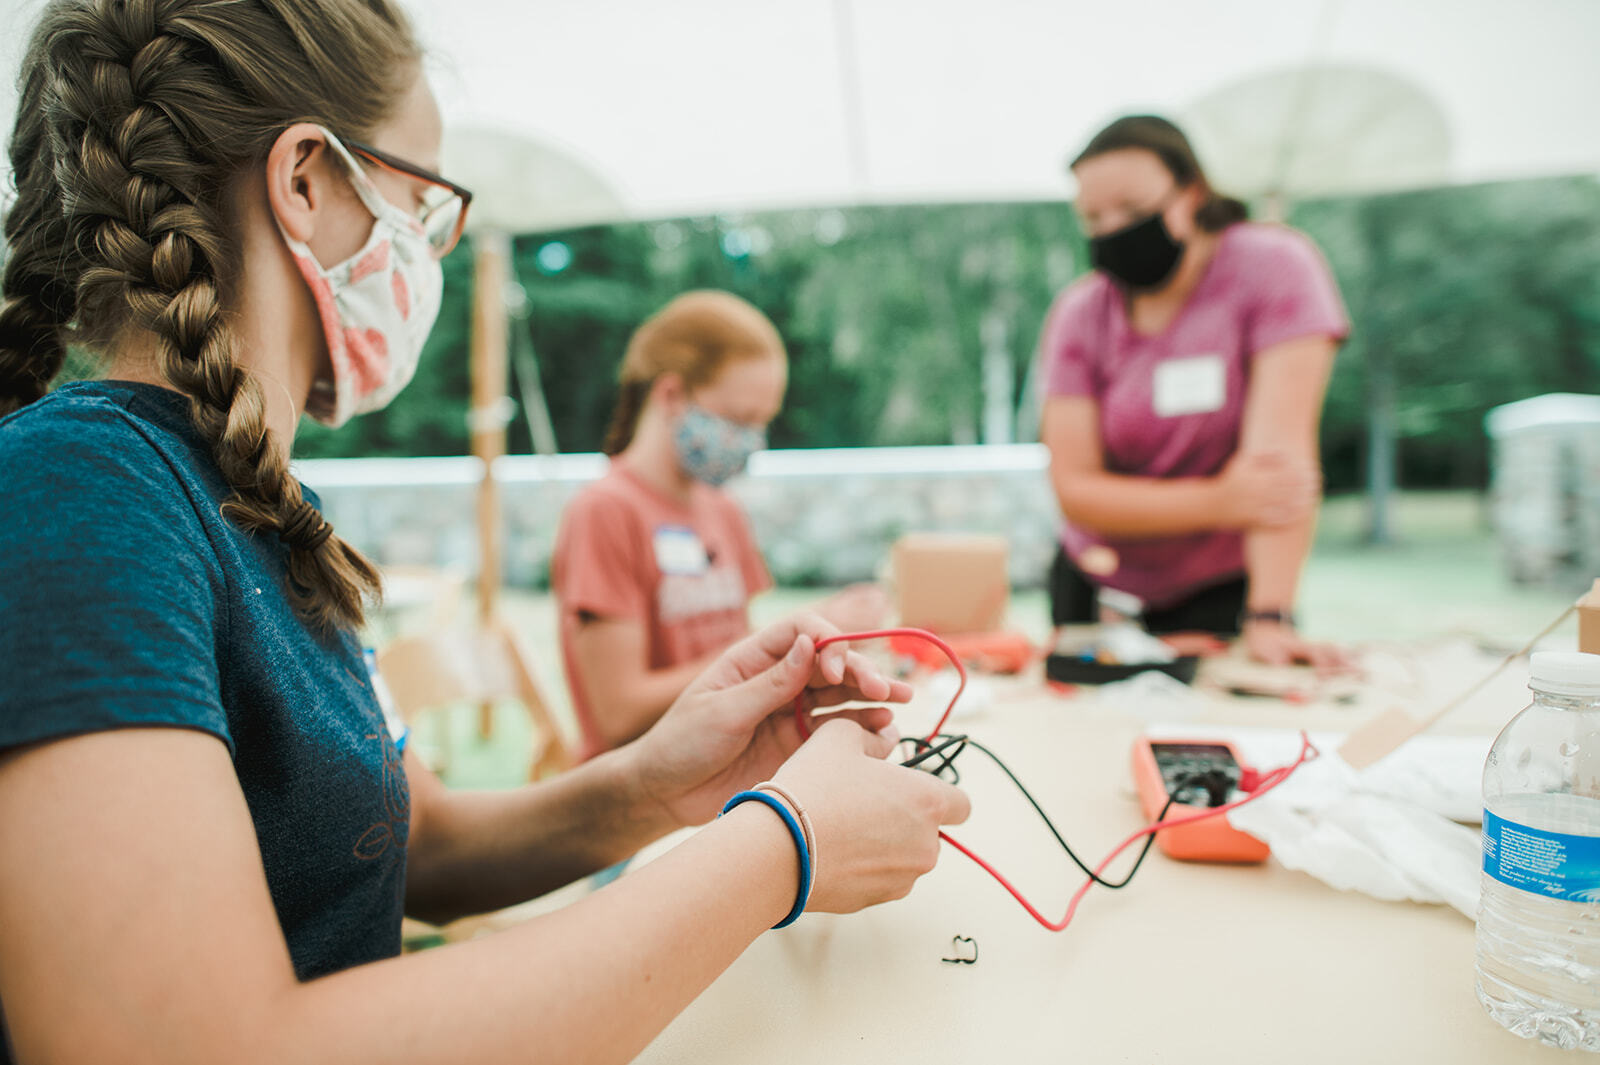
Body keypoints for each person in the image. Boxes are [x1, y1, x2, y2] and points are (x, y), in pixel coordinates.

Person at [0, 4, 968, 1063]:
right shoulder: (79, 492)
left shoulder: (246, 501)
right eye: (425, 203)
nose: (431, 252)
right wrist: (778, 850)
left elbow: (418, 845)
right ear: (306, 182)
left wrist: (659, 784)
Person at [1038, 115, 1349, 669]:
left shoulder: (1275, 267)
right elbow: (1075, 489)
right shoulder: (1080, 312)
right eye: (1092, 218)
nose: (1112, 229)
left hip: (1224, 591)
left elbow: (1280, 470)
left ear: (1192, 194)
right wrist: (1219, 501)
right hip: (1095, 583)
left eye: (1132, 211)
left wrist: (1270, 617)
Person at [552, 291, 887, 760]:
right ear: (671, 394)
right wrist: (781, 647)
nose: (751, 441)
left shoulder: (723, 511)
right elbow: (619, 713)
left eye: (763, 422)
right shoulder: (605, 512)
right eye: (739, 419)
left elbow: (738, 656)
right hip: (641, 796)